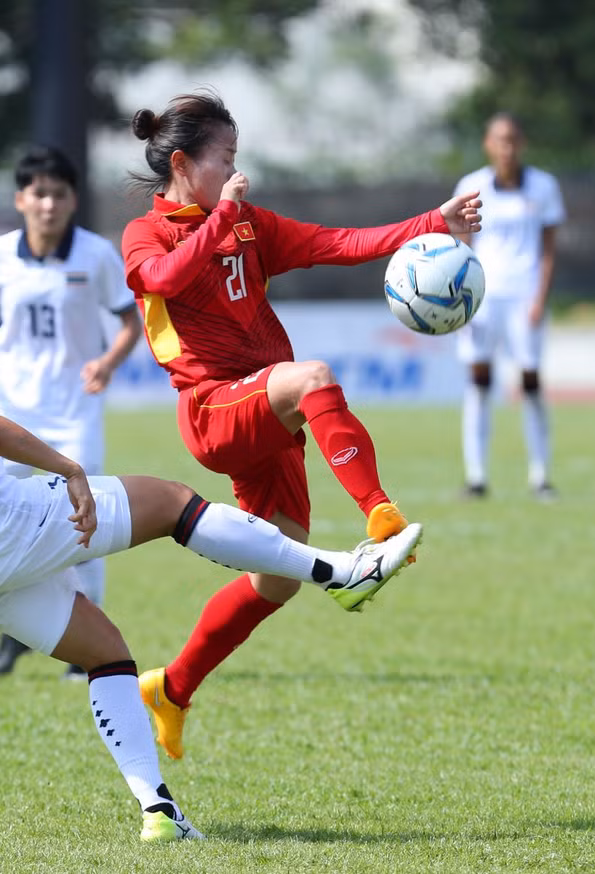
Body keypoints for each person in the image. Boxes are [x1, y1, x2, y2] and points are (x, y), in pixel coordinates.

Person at [0, 208, 421, 842]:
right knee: (171, 501)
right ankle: (341, 573)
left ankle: (159, 811)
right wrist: (68, 468)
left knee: (108, 653)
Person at [120, 91, 482, 761]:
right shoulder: (149, 234)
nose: (234, 169)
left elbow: (337, 244)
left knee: (278, 577)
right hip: (213, 409)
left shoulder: (247, 223)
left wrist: (432, 220)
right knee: (312, 377)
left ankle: (171, 688)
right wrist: (224, 212)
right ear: (182, 161)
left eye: (235, 158)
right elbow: (166, 278)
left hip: (262, 411)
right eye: (224, 157)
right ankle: (382, 520)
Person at [0, 145, 142, 680]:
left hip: (75, 412)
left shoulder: (95, 255)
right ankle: (12, 637)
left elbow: (129, 322)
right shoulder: (2, 254)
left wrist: (108, 361)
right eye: (38, 193)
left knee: (87, 523)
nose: (48, 204)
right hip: (11, 414)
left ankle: (85, 646)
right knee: (1, 515)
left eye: (58, 193)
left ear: (73, 199)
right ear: (20, 199)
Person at [452, 112, 565, 500]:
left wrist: (540, 297)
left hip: (525, 295)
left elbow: (549, 248)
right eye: (500, 139)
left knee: (531, 383)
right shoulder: (472, 186)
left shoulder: (543, 187)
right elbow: (463, 246)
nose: (507, 147)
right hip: (483, 298)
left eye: (514, 139)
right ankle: (476, 476)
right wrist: (463, 302)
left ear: (523, 143)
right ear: (488, 144)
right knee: (479, 382)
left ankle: (540, 475)